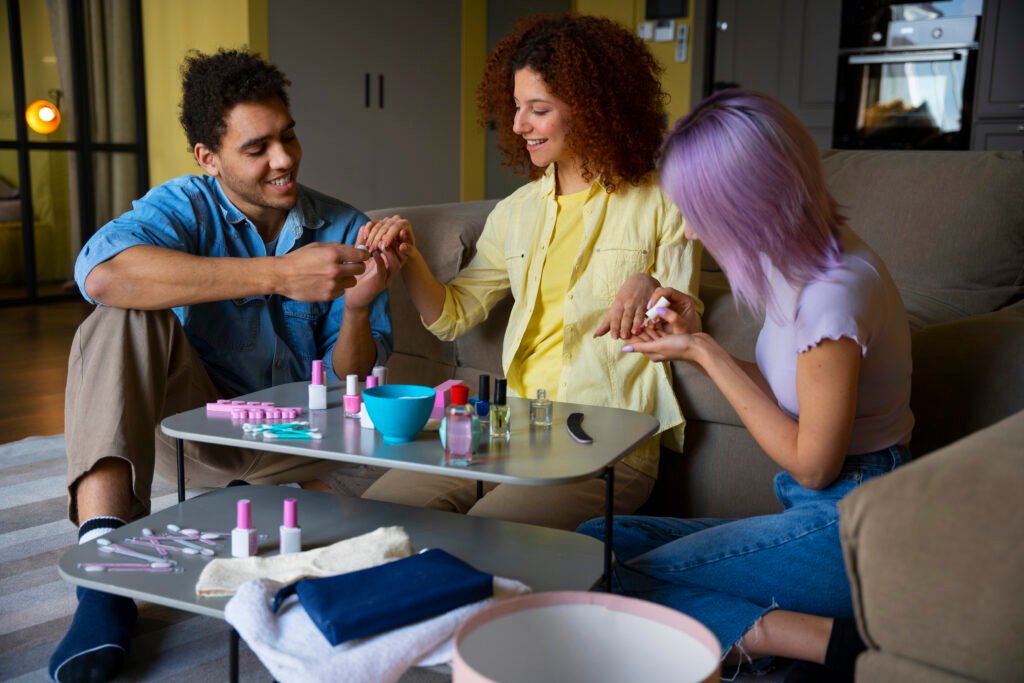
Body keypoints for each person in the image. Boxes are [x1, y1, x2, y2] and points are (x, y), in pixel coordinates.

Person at [49, 49, 395, 682]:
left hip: (301, 444)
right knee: (120, 315)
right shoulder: (182, 205)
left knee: (381, 514)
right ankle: (103, 573)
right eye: (257, 148)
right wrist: (279, 274)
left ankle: (253, 512)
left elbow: (352, 388)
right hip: (196, 432)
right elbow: (101, 273)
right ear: (208, 158)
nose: (284, 159)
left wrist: (354, 310)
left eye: (288, 136)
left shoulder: (344, 226)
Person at [577, 89, 914, 681]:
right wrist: (696, 342)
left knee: (595, 574)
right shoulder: (801, 261)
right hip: (812, 511)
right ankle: (786, 641)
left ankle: (815, 642)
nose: (688, 230)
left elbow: (814, 466)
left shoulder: (834, 294)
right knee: (591, 540)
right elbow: (797, 392)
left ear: (746, 202)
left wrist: (705, 351)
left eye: (697, 211)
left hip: (854, 525)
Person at [358, 14, 703, 531]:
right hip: (510, 428)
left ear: (593, 108)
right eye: (516, 107)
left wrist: (650, 285)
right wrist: (410, 259)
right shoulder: (517, 211)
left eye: (538, 110)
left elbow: (686, 320)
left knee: (490, 534)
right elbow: (452, 316)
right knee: (374, 517)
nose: (518, 125)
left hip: (607, 441)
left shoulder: (664, 200)